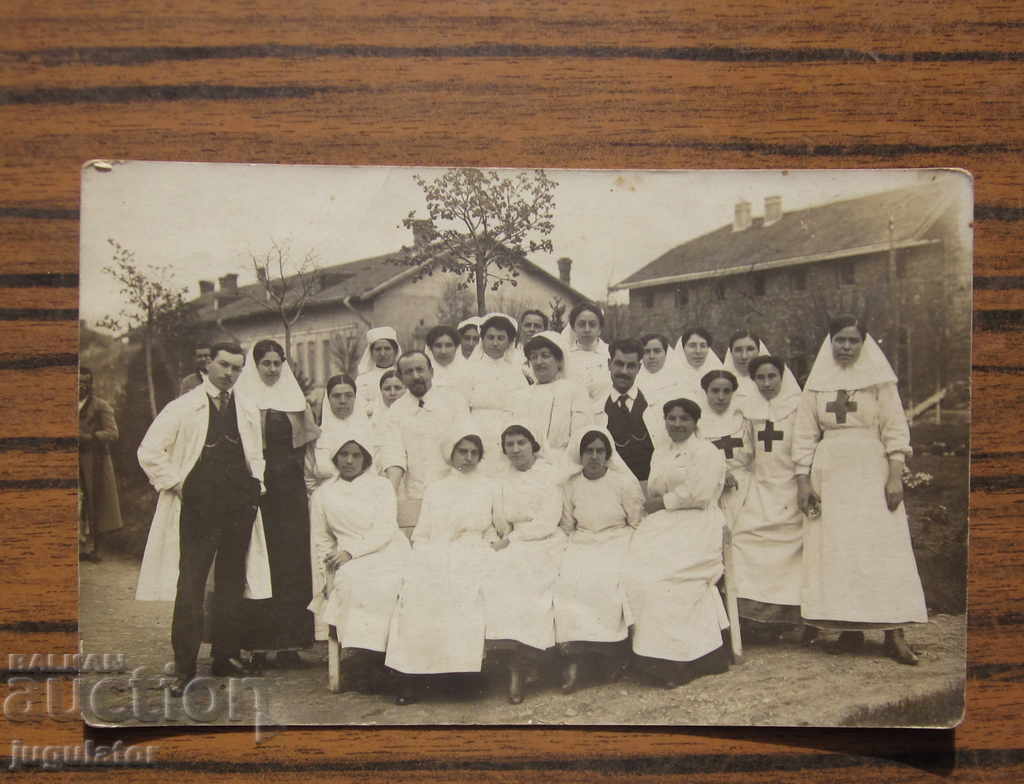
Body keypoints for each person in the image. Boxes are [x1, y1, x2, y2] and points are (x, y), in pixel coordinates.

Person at [136, 342, 271, 696]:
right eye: (224, 365)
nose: (229, 373)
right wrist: (178, 484)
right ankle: (184, 667)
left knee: (231, 582)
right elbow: (149, 452)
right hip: (198, 509)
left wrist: (256, 483)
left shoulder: (247, 407)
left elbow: (256, 453)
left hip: (238, 506)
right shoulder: (183, 407)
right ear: (208, 364)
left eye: (237, 368)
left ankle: (225, 656)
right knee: (191, 584)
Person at [793, 315, 926, 665]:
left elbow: (895, 428)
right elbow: (804, 434)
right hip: (830, 474)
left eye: (853, 340)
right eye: (840, 339)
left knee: (879, 547)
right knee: (838, 550)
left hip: (870, 471)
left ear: (863, 344)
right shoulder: (817, 385)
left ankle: (894, 633)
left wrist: (895, 475)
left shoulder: (879, 382)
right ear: (830, 342)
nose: (846, 346)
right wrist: (803, 480)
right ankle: (849, 630)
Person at [385, 427, 498, 704]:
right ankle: (409, 676)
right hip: (435, 551)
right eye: (463, 451)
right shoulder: (436, 488)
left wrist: (488, 546)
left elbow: (494, 527)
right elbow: (422, 532)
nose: (468, 458)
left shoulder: (489, 487)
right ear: (451, 454)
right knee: (418, 593)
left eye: (474, 453)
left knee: (465, 593)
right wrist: (423, 557)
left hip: (473, 550)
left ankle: (461, 676)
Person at [625, 398, 731, 688]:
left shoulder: (706, 452)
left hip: (697, 524)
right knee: (637, 574)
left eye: (684, 418)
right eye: (671, 418)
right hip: (664, 524)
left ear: (696, 422)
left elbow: (700, 495)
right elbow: (654, 488)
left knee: (667, 580)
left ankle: (683, 660)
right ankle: (653, 656)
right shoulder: (661, 451)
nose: (677, 424)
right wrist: (659, 505)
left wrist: (663, 503)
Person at [234, 340, 321, 668]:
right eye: (266, 363)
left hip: (290, 491)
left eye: (277, 363)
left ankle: (289, 645)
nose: (272, 369)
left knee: (292, 563)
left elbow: (308, 450)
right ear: (254, 365)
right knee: (259, 564)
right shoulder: (243, 399)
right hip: (257, 490)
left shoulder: (294, 400)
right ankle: (256, 646)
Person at [308, 423, 410, 692]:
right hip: (347, 560)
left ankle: (393, 662)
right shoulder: (323, 494)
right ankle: (366, 660)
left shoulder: (381, 486)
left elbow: (386, 528)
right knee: (353, 583)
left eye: (356, 455)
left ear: (365, 458)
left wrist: (352, 551)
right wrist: (326, 575)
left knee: (393, 584)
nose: (350, 461)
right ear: (335, 457)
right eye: (344, 454)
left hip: (388, 550)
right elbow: (321, 540)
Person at [555, 426, 643, 693]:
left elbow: (636, 521)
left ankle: (610, 656)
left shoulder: (623, 483)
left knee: (607, 583)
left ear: (608, 454)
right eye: (588, 451)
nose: (594, 457)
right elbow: (567, 524)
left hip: (617, 539)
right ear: (579, 455)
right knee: (569, 583)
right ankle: (575, 660)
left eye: (600, 451)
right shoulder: (570, 485)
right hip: (582, 540)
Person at [484, 424, 566, 704]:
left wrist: (514, 538)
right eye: (509, 444)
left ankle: (532, 661)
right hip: (514, 542)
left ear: (533, 445)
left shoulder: (548, 475)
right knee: (498, 577)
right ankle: (514, 662)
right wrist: (507, 537)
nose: (516, 449)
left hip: (545, 541)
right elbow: (500, 520)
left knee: (532, 582)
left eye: (521, 443)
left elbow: (548, 520)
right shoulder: (501, 479)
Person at [731, 356, 804, 641]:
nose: (766, 383)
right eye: (760, 378)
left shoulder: (798, 407)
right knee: (745, 540)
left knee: (796, 547)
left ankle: (795, 619)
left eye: (772, 376)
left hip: (793, 487)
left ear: (782, 377)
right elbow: (744, 452)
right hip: (761, 487)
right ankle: (755, 619)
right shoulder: (749, 412)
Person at [374, 350, 470, 537]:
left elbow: (465, 445)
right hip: (416, 493)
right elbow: (394, 455)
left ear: (431, 371)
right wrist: (389, 495)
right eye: (409, 372)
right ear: (401, 377)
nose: (416, 376)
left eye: (420, 369)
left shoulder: (453, 401)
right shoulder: (396, 411)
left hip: (453, 489)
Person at [461, 313, 529, 472]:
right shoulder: (469, 370)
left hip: (508, 434)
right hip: (477, 429)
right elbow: (461, 407)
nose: (495, 343)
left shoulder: (516, 372)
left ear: (509, 341)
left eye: (501, 338)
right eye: (490, 337)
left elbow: (523, 406)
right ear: (482, 339)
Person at [510, 331, 592, 454]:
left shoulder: (575, 391)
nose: (538, 362)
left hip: (564, 460)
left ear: (559, 361)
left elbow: (580, 436)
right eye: (534, 357)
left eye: (545, 355)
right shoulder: (521, 395)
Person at [597, 338, 657, 485]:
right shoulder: (595, 410)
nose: (624, 371)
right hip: (611, 487)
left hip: (650, 487)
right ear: (609, 364)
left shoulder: (655, 406)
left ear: (639, 368)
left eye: (631, 366)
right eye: (619, 364)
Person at [78, 366, 123, 562]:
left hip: (95, 461)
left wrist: (90, 437)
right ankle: (79, 546)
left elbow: (113, 433)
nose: (81, 386)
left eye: (85, 382)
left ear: (90, 384)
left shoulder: (100, 406)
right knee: (77, 503)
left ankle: (98, 549)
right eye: (77, 382)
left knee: (98, 503)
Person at [699, 370, 753, 529]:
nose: (721, 397)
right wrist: (721, 472)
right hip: (710, 487)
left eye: (726, 391)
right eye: (715, 391)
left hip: (744, 486)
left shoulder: (744, 420)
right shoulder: (697, 423)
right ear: (706, 391)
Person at [723, 330, 801, 412]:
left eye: (750, 349)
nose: (744, 356)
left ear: (759, 351)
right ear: (731, 353)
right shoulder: (721, 384)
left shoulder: (780, 378)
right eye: (738, 350)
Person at [562, 301, 610, 406]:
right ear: (573, 328)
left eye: (592, 325)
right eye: (581, 324)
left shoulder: (611, 354)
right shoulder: (565, 356)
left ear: (600, 329)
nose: (587, 329)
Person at [355, 326, 401, 418]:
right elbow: (358, 406)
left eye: (387, 348)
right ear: (371, 352)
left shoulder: (403, 376)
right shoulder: (362, 380)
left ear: (395, 351)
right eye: (378, 349)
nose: (382, 353)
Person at [674, 327, 724, 401]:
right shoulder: (672, 378)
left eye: (703, 346)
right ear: (682, 349)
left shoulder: (720, 376)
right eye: (692, 346)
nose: (698, 351)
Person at [636, 333, 684, 408]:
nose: (652, 356)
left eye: (657, 351)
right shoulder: (633, 382)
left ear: (666, 353)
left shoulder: (678, 382)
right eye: (647, 352)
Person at [424, 325, 463, 391]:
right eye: (438, 346)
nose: (443, 351)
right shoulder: (422, 374)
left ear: (456, 347)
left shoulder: (468, 371)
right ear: (430, 348)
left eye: (448, 345)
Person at [517, 309, 549, 383]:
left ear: (545, 330)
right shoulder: (509, 354)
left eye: (537, 326)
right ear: (520, 328)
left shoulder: (550, 356)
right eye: (527, 325)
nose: (532, 329)